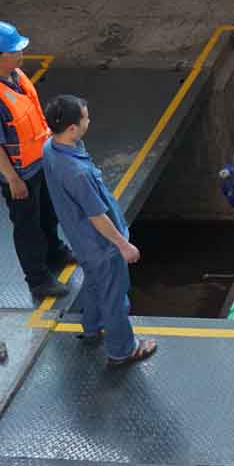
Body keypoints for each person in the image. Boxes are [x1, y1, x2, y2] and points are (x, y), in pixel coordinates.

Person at [41, 95, 157, 366]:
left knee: (94, 283)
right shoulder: (77, 173)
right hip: (101, 245)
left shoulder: (50, 148)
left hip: (81, 240)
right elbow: (97, 216)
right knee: (115, 297)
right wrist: (123, 245)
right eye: (85, 118)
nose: (89, 121)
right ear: (72, 128)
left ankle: (91, 327)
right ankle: (123, 350)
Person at [0, 21, 74, 299]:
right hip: (20, 175)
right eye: (14, 51)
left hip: (39, 162)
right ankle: (38, 280)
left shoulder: (13, 76)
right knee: (28, 227)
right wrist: (13, 180)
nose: (20, 55)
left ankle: (55, 252)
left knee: (47, 214)